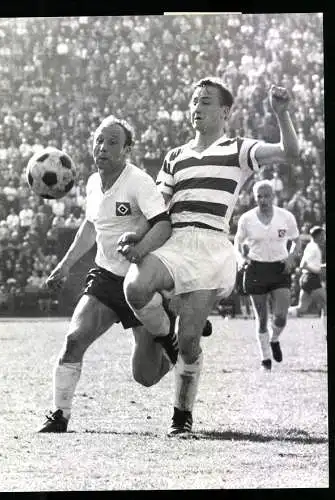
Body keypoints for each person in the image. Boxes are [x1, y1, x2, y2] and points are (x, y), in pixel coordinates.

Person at [123, 77, 299, 436]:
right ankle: (165, 338)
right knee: (136, 288)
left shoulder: (237, 149)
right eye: (193, 101)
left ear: (224, 111)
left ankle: (181, 415)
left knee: (190, 340)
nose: (196, 108)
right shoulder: (176, 155)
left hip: (211, 246)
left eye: (205, 102)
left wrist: (281, 114)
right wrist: (137, 236)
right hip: (176, 240)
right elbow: (157, 209)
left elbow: (289, 151)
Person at [38, 115, 177, 433]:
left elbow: (163, 223)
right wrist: (65, 265)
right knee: (74, 339)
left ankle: (175, 340)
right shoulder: (90, 182)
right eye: (99, 140)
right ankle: (60, 415)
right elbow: (90, 227)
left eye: (113, 142)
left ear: (127, 149)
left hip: (140, 282)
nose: (103, 147)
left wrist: (140, 251)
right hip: (105, 278)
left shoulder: (139, 181)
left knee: (145, 377)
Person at [234, 180, 301, 370]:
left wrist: (291, 258)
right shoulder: (246, 219)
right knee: (262, 318)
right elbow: (237, 243)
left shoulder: (286, 217)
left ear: (273, 196)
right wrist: (241, 259)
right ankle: (265, 359)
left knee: (280, 317)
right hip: (256, 269)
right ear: (254, 198)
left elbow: (297, 242)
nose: (262, 200)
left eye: (266, 196)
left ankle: (275, 339)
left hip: (280, 269)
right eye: (259, 197)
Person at [288, 226, 326, 336]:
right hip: (311, 278)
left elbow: (308, 264)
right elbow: (303, 265)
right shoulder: (314, 248)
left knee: (302, 308)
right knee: (326, 304)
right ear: (318, 236)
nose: (324, 237)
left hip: (307, 278)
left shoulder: (311, 246)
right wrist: (317, 270)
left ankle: (281, 313)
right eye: (323, 235)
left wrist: (320, 267)